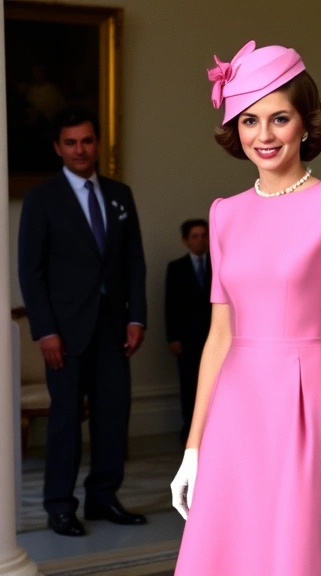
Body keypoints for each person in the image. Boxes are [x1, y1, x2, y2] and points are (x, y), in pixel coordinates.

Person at [170, 41, 321, 575]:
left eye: (279, 118)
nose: (262, 136)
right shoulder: (224, 215)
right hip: (234, 412)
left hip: (304, 406)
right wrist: (194, 447)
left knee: (294, 555)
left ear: (306, 124)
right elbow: (219, 337)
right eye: (248, 120)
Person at [18, 108, 148, 537]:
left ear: (97, 144)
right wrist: (45, 330)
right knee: (65, 422)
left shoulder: (120, 194)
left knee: (114, 416)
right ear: (58, 147)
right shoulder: (42, 199)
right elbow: (30, 272)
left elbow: (134, 263)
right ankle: (59, 506)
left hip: (114, 330)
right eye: (71, 143)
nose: (80, 150)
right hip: (65, 333)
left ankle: (103, 497)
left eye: (87, 141)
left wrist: (137, 317)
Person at [164, 219, 212, 444]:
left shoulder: (218, 264)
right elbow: (170, 304)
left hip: (214, 337)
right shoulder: (176, 268)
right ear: (186, 240)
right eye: (195, 236)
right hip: (188, 339)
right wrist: (172, 337)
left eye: (204, 235)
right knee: (189, 386)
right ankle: (191, 434)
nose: (200, 240)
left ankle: (214, 433)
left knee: (216, 387)